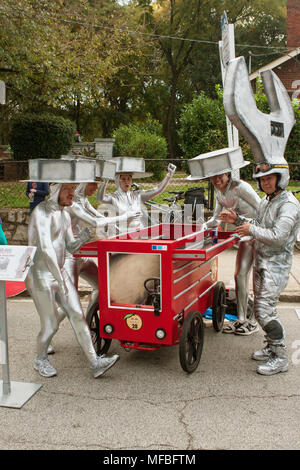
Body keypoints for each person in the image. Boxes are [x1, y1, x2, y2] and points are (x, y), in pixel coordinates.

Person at [25, 182, 123, 379]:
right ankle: (40, 359)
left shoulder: (64, 213)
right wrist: (60, 280)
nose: (73, 193)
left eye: (73, 188)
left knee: (77, 314)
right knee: (51, 324)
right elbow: (46, 249)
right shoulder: (41, 212)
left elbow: (70, 246)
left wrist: (83, 239)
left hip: (59, 272)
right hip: (40, 276)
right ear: (55, 190)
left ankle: (95, 362)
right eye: (68, 189)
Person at [220, 163, 300, 375]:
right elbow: (257, 222)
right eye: (262, 179)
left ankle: (280, 357)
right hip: (262, 261)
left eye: (269, 178)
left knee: (265, 311)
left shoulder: (289, 204)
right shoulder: (268, 200)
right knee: (260, 308)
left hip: (276, 266)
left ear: (280, 178)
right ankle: (271, 347)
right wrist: (236, 219)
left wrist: (251, 229)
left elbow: (278, 237)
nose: (265, 182)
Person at [205, 171, 261, 335]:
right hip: (244, 235)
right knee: (240, 276)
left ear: (228, 175)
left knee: (259, 279)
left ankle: (254, 321)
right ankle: (241, 319)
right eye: (213, 176)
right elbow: (216, 218)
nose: (216, 179)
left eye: (220, 175)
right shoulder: (219, 193)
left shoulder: (240, 187)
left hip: (259, 234)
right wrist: (201, 227)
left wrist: (255, 230)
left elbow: (263, 210)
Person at [97, 162, 176, 231]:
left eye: (129, 179)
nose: (126, 182)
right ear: (117, 181)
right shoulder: (114, 198)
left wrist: (169, 175)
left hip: (139, 233)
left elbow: (157, 189)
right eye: (123, 179)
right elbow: (100, 198)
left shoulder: (137, 195)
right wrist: (105, 181)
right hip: (121, 235)